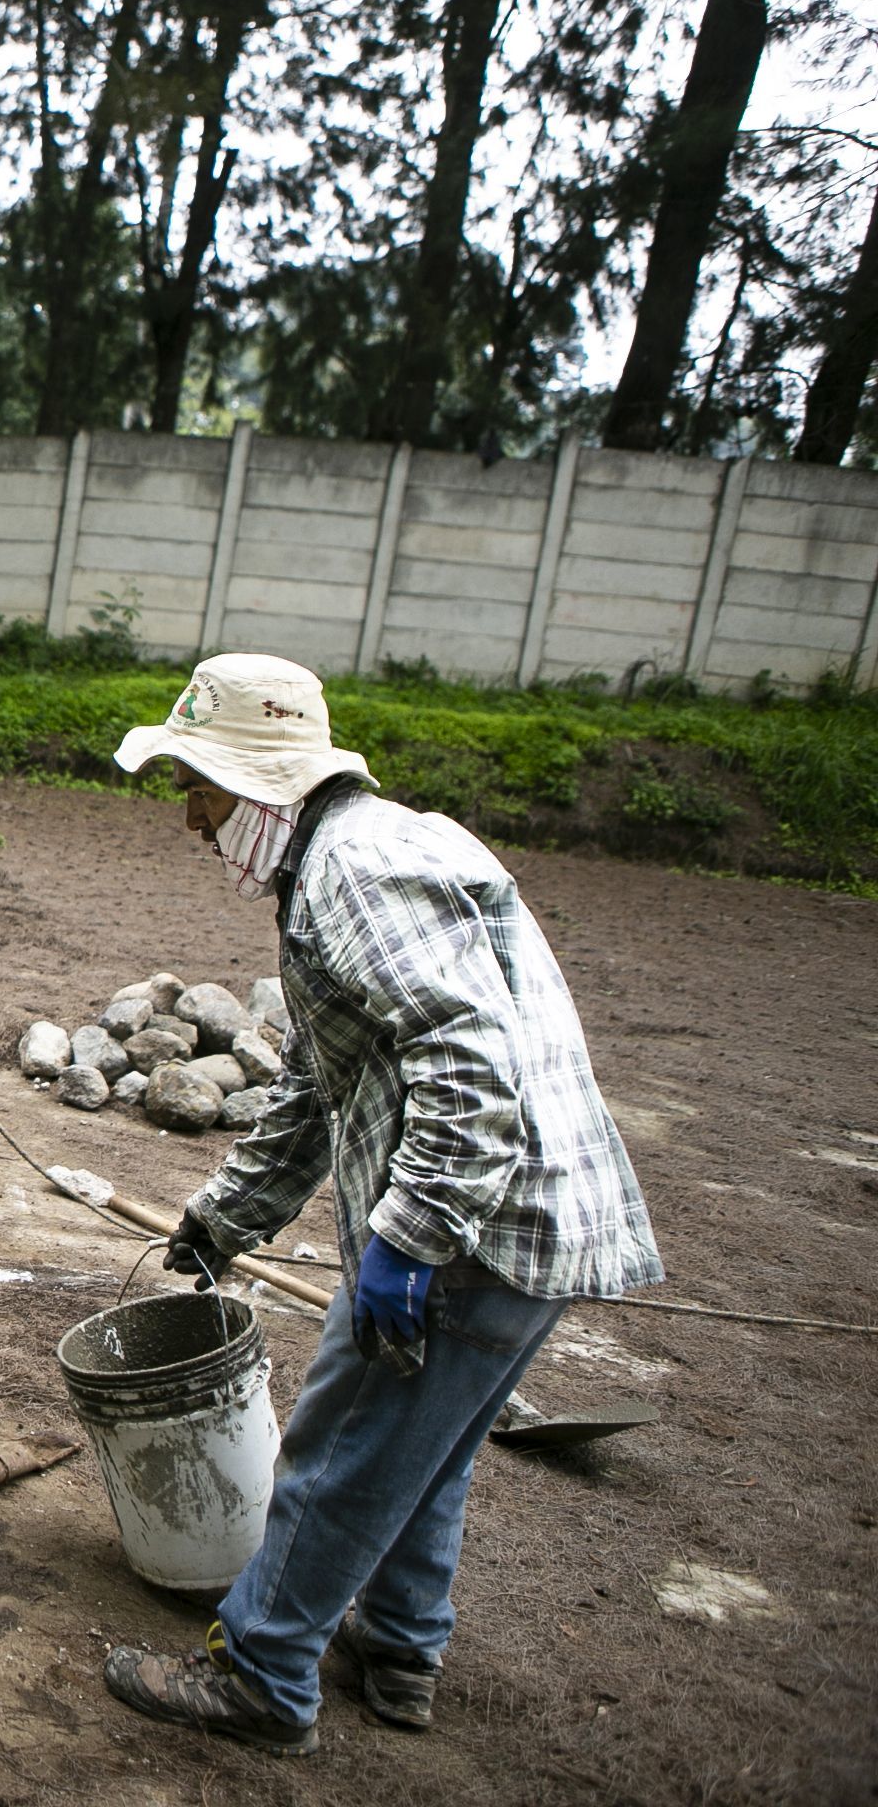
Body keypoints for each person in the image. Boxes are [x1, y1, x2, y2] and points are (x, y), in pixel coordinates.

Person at [96, 652, 662, 1756]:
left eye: (199, 791)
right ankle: (401, 1649)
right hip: (531, 1219)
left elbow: (468, 1058)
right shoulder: (362, 854)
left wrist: (411, 1242)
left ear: (260, 786)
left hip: (473, 1227)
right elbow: (320, 1078)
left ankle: (263, 1674)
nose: (190, 819)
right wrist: (228, 1215)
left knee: (342, 1446)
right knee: (427, 1448)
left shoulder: (353, 871)